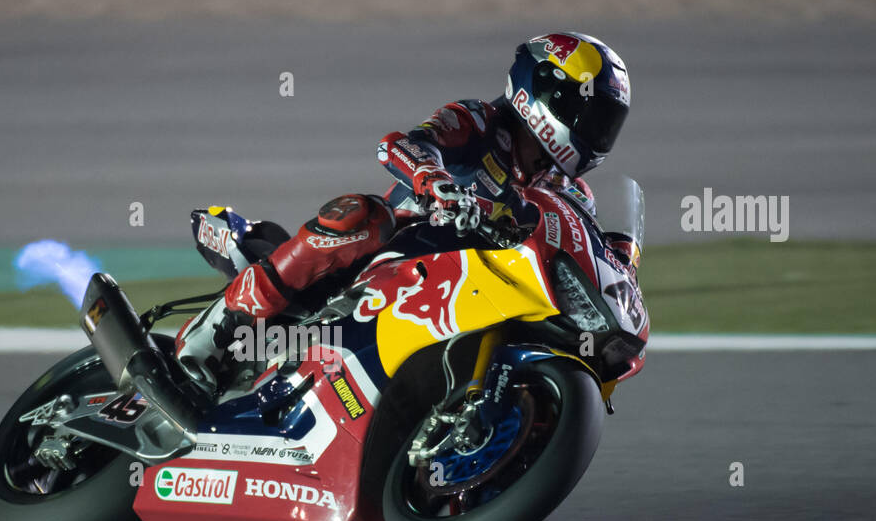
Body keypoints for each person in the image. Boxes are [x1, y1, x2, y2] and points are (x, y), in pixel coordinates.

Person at [177, 32, 632, 390]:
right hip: (396, 256)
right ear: (544, 93)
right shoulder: (478, 121)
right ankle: (210, 336)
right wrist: (436, 182)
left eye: (605, 125)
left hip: (476, 289)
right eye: (589, 115)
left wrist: (620, 261)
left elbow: (586, 252)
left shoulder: (572, 194)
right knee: (362, 215)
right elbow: (398, 145)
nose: (596, 134)